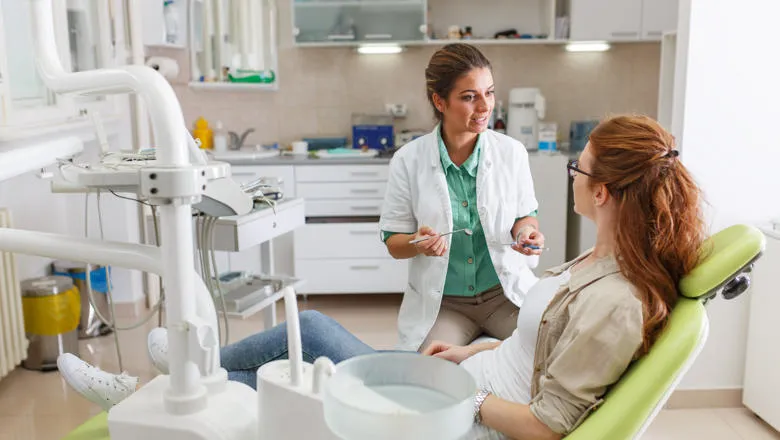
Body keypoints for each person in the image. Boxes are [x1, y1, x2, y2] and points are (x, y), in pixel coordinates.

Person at [59, 114, 706, 439]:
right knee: (308, 329)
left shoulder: (619, 301)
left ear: (605, 193)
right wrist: (473, 354)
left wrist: (463, 395)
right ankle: (181, 373)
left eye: (579, 170)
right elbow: (531, 353)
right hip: (455, 383)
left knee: (291, 393)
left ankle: (152, 404)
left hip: (448, 419)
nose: (573, 179)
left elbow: (548, 425)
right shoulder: (598, 262)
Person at [380, 43, 546, 352]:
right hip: (446, 305)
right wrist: (418, 242)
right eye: (469, 97)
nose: (485, 107)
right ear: (439, 101)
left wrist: (525, 232)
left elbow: (526, 215)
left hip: (503, 297)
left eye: (489, 93)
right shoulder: (408, 160)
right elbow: (394, 243)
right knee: (430, 375)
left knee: (545, 354)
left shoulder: (511, 153)